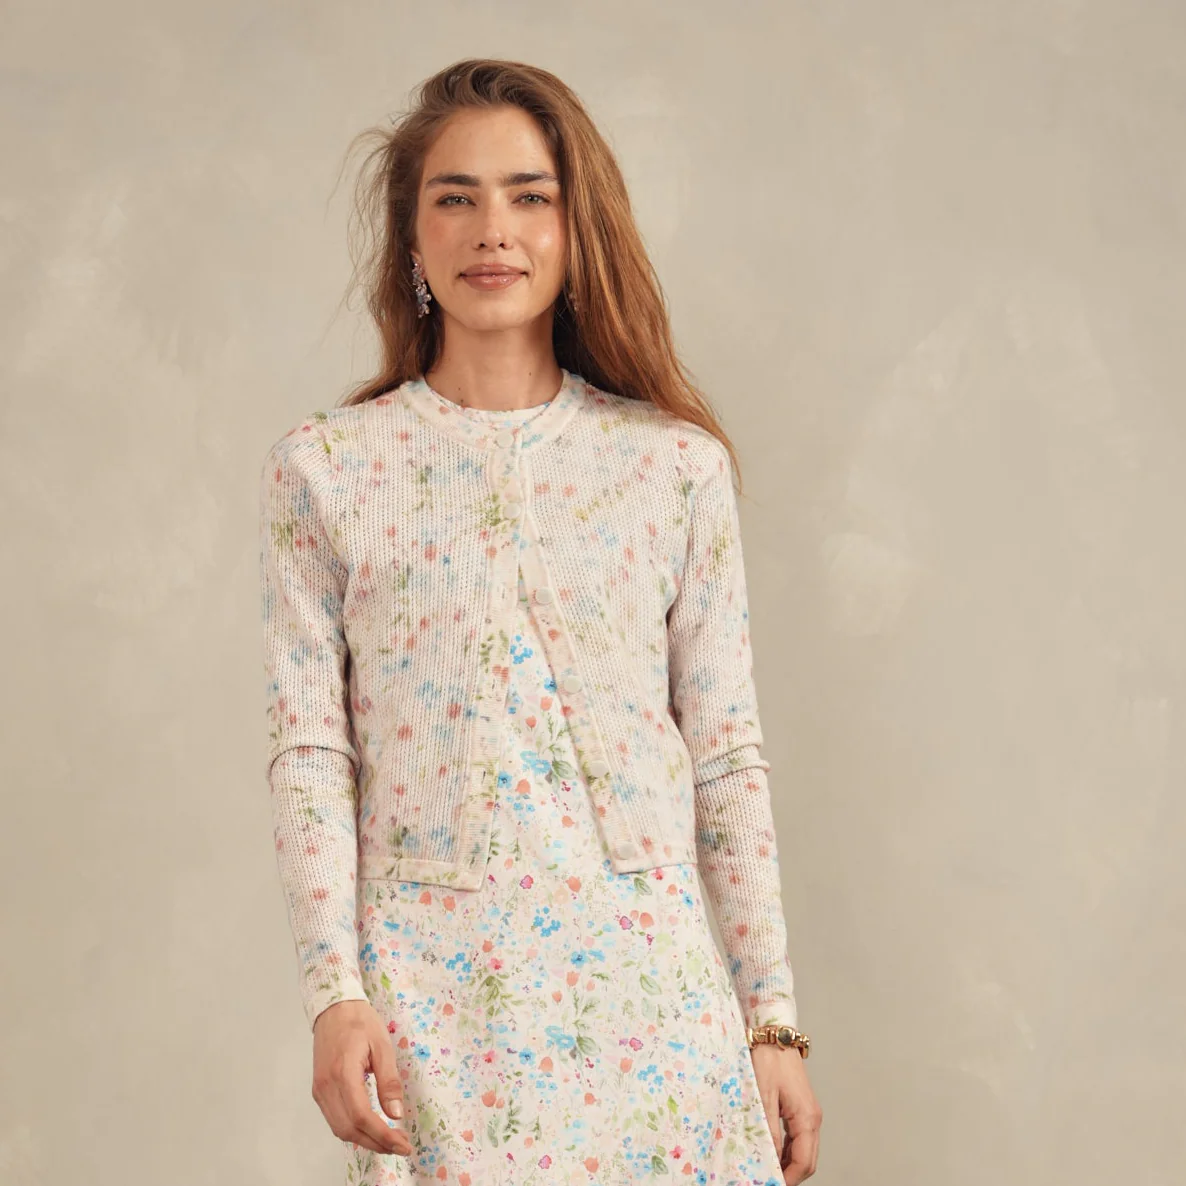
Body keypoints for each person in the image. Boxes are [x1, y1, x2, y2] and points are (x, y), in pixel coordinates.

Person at [258, 57, 822, 1186]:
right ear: (411, 238)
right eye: (454, 198)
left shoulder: (672, 468)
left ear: (574, 230)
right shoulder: (326, 470)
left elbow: (724, 755)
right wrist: (335, 993)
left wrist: (770, 1021)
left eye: (529, 196)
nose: (493, 231)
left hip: (656, 1003)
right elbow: (312, 752)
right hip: (435, 1005)